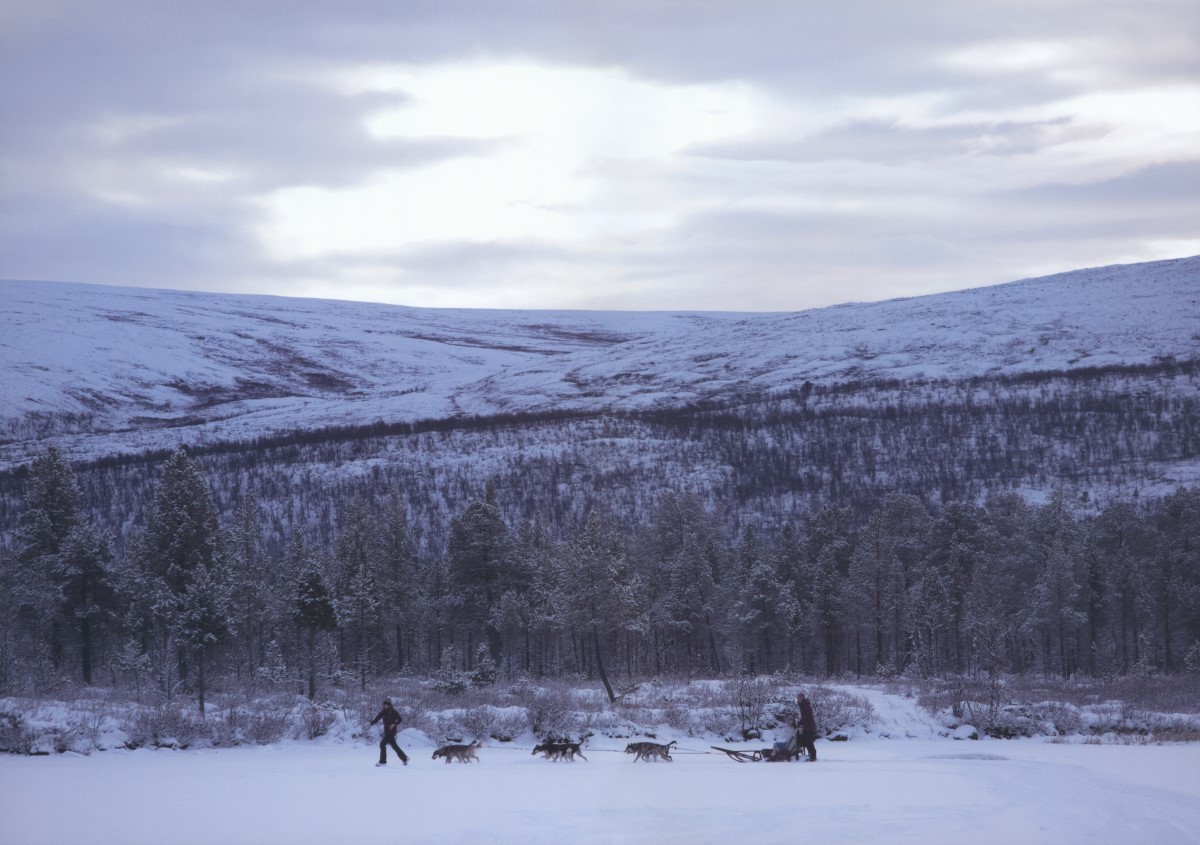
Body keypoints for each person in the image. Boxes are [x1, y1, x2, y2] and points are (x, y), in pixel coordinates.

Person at [370, 698, 408, 766]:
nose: (386, 705)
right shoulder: (383, 711)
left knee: (382, 744)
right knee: (394, 746)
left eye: (387, 704)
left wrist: (394, 724)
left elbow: (400, 719)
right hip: (386, 731)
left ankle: (382, 762)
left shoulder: (394, 712)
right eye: (385, 704)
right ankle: (405, 758)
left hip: (392, 732)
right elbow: (378, 717)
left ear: (390, 705)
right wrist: (372, 722)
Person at [796, 690, 818, 762]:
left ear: (802, 698)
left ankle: (813, 757)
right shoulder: (804, 705)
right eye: (798, 698)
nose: (798, 700)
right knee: (807, 742)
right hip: (808, 726)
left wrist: (799, 723)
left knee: (809, 742)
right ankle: (811, 755)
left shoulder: (805, 706)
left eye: (799, 698)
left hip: (809, 727)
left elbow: (805, 717)